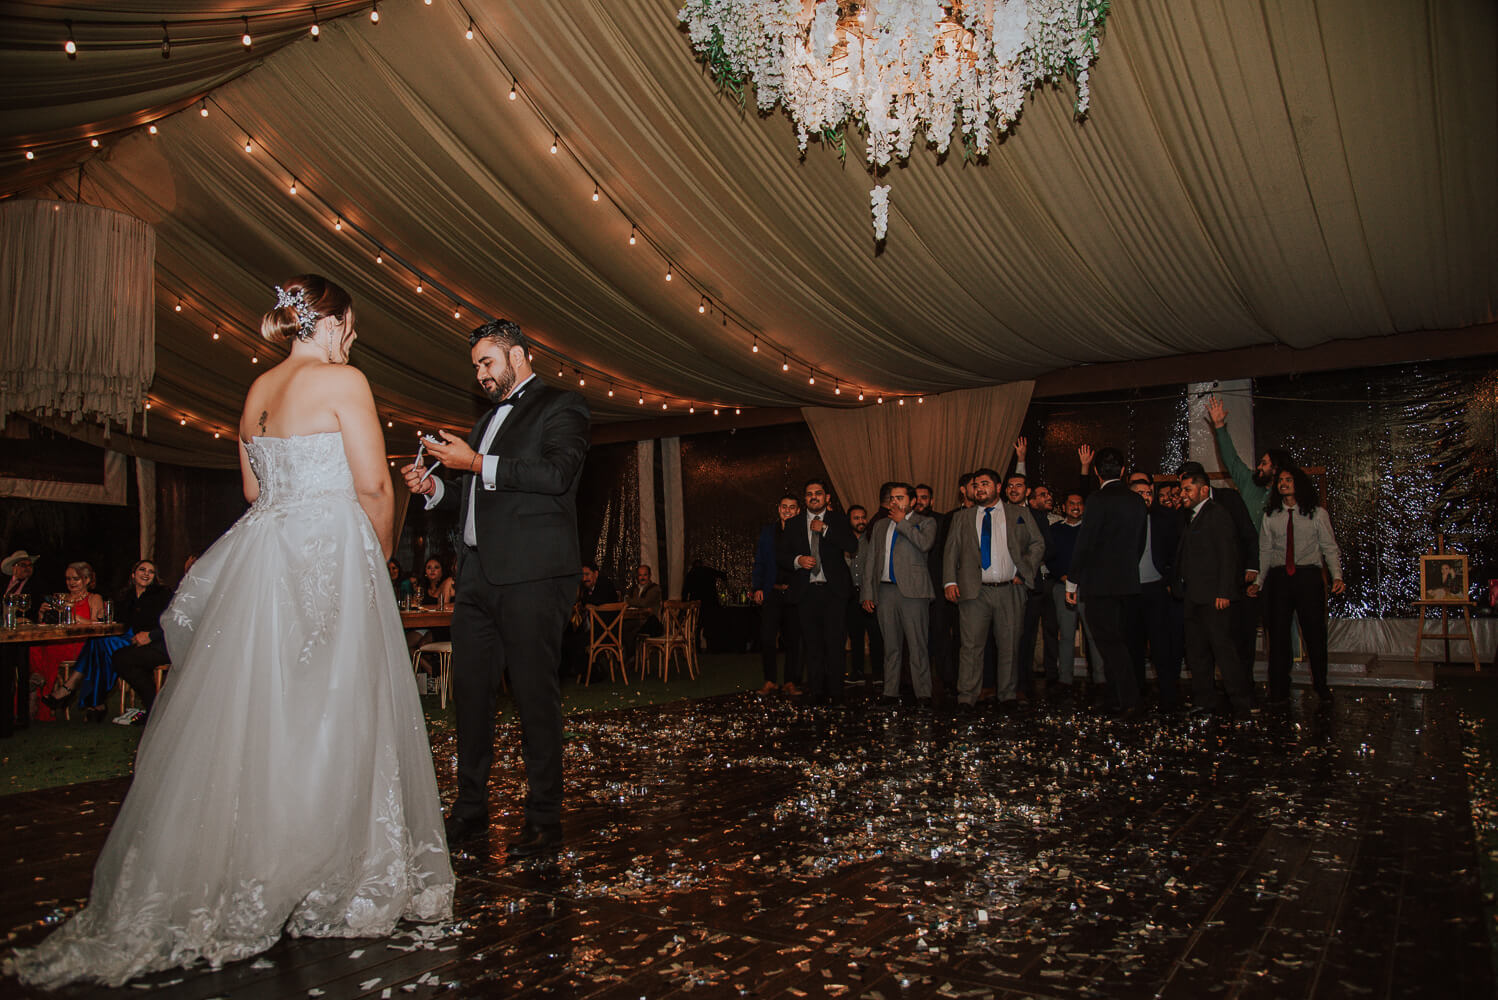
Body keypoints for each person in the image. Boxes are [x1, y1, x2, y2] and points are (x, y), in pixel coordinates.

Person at [11, 276, 452, 989]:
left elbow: (253, 493)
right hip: (329, 555)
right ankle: (329, 875)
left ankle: (253, 868)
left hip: (265, 559)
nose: (353, 339)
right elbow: (374, 484)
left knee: (264, 716)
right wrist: (377, 559)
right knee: (336, 711)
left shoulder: (256, 391)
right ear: (333, 322)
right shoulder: (345, 381)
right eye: (352, 326)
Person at [403, 316, 589, 857]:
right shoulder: (484, 423)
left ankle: (543, 817)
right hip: (478, 577)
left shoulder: (563, 405)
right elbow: (476, 497)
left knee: (534, 696)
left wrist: (478, 461)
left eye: (488, 363)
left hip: (534, 575)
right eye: (477, 367)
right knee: (472, 695)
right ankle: (470, 809)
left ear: (520, 354)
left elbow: (556, 475)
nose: (481, 375)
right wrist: (437, 487)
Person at [943, 468, 1046, 713]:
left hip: (1009, 590)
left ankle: (1007, 694)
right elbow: (950, 552)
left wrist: (1025, 572)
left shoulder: (1018, 514)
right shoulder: (963, 518)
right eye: (976, 485)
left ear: (998, 487)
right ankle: (967, 696)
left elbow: (1038, 543)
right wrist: (949, 582)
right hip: (973, 592)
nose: (979, 489)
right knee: (970, 647)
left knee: (1009, 644)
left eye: (985, 484)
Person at [1250, 464, 1344, 705]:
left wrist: (1337, 577)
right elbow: (1265, 551)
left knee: (1314, 633)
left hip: (1307, 577)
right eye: (1280, 480)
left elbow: (1329, 547)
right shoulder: (1271, 515)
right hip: (1279, 579)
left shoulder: (1316, 514)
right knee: (1278, 634)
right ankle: (1279, 688)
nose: (1283, 483)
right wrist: (1259, 582)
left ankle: (1321, 685)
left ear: (1298, 483)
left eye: (1288, 479)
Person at [1065, 447, 1147, 717]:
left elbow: (1084, 544)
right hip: (1128, 583)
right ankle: (1116, 698)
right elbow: (1139, 544)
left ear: (1097, 472)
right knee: (1120, 642)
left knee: (1109, 644)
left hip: (1100, 585)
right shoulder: (1136, 501)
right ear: (1123, 471)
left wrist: (1072, 582)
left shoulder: (1098, 500)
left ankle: (1129, 699)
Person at [1174, 465, 1252, 718]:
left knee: (1224, 652)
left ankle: (1242, 703)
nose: (1182, 494)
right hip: (1195, 597)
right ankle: (1204, 699)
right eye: (1182, 489)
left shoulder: (1217, 514)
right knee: (1197, 653)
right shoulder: (1194, 515)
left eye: (1188, 489)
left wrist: (1224, 593)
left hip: (1214, 598)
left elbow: (1228, 555)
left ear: (1204, 489)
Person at [777, 478, 858, 704]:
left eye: (818, 493)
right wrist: (798, 560)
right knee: (812, 645)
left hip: (834, 593)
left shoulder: (838, 520)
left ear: (827, 498)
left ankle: (836, 692)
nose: (814, 497)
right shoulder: (793, 524)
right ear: (805, 499)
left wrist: (825, 530)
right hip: (806, 593)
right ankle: (817, 692)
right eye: (810, 493)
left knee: (835, 643)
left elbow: (852, 546)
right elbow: (781, 556)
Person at [861, 482, 937, 707]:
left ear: (912, 501)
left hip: (914, 592)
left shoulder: (925, 522)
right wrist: (868, 592)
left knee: (917, 645)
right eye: (892, 498)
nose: (894, 502)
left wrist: (902, 522)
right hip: (885, 591)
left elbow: (924, 544)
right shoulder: (880, 525)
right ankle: (890, 691)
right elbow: (871, 561)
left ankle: (923, 693)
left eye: (900, 498)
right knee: (891, 645)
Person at [29, 562, 105, 722]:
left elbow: (98, 623)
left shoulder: (94, 598)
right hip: (59, 640)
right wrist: (43, 615)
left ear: (86, 579)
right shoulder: (61, 598)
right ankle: (36, 680)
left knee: (48, 650)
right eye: (68, 579)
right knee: (33, 646)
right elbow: (51, 626)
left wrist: (71, 614)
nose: (71, 582)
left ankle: (43, 693)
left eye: (75, 579)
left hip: (82, 644)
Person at [752, 495, 802, 695]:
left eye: (792, 507)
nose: (787, 510)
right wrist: (757, 587)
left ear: (798, 511)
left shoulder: (803, 532)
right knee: (767, 638)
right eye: (784, 506)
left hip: (794, 593)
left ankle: (791, 682)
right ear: (778, 508)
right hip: (771, 591)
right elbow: (760, 561)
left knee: (794, 640)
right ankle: (770, 681)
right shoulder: (767, 532)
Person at [1, 550, 39, 736]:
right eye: (23, 565)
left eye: (29, 565)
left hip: (24, 636)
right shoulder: (6, 585)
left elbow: (36, 610)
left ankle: (20, 718)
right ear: (14, 567)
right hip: (5, 633)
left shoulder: (35, 586)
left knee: (19, 671)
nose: (27, 569)